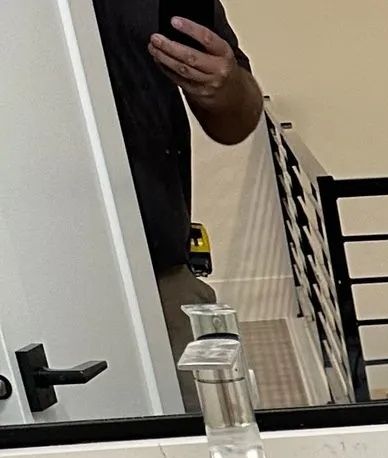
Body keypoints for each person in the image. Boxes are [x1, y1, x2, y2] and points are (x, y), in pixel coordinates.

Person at [91, 5, 264, 358]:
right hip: (21, 278)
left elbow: (236, 120)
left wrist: (223, 83)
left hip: (161, 279)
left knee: (202, 393)